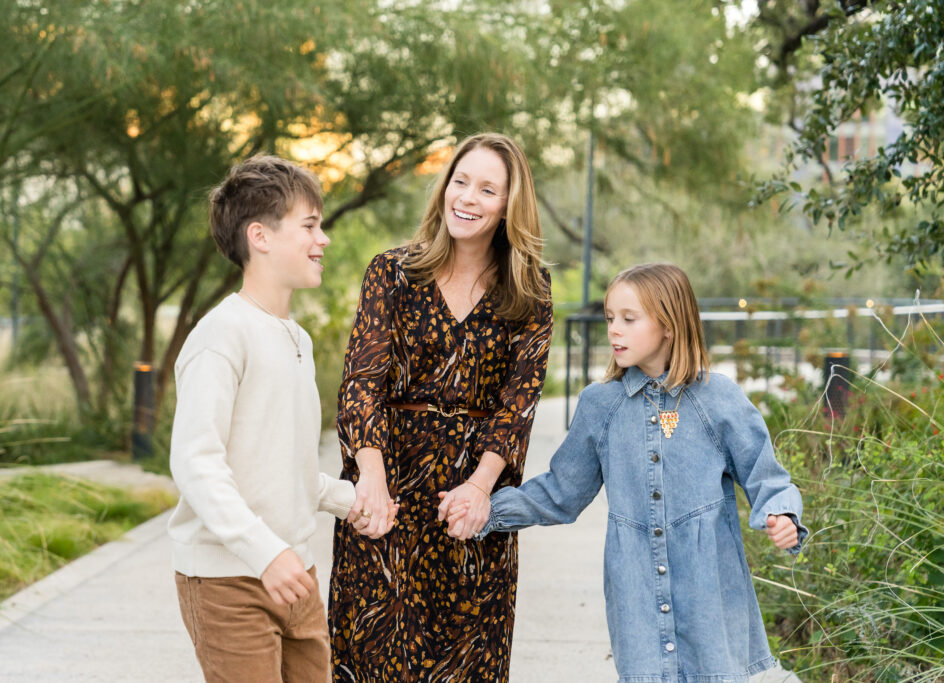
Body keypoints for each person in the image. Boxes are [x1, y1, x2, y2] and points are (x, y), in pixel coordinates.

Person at [448, 262, 809, 682]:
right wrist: (485, 512)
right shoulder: (601, 405)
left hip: (711, 593)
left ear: (669, 325)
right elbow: (561, 492)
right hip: (636, 594)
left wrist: (782, 514)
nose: (613, 330)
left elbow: (767, 477)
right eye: (609, 318)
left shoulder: (718, 399)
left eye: (628, 319)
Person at [327, 133, 553, 682]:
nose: (468, 198)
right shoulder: (393, 272)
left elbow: (517, 406)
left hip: (470, 507)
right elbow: (362, 381)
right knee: (374, 659)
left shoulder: (530, 291)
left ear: (508, 206)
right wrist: (371, 479)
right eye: (460, 181)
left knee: (467, 666)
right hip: (387, 495)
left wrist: (481, 488)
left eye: (487, 189)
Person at [167, 155, 356, 683]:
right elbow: (196, 463)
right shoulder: (221, 335)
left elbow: (275, 463)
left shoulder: (298, 339)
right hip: (230, 581)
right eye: (310, 226)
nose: (324, 240)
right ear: (261, 236)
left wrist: (347, 501)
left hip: (295, 573)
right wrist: (264, 553)